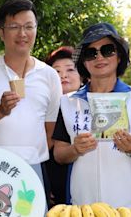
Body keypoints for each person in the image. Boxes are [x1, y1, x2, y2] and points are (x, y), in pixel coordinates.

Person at [52, 23, 131, 214]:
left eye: (107, 50)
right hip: (80, 207)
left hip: (128, 207)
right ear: (83, 62)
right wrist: (75, 149)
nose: (99, 57)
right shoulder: (67, 103)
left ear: (119, 56)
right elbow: (59, 155)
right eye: (91, 53)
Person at [0, 0, 62, 207]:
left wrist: (27, 160)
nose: (23, 34)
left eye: (29, 27)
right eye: (14, 27)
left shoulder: (49, 75)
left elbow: (50, 131)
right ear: (1, 32)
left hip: (34, 171)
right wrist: (1, 110)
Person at [44, 46, 82, 207]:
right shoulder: (42, 109)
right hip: (50, 191)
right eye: (56, 71)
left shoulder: (93, 106)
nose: (63, 75)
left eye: (70, 70)